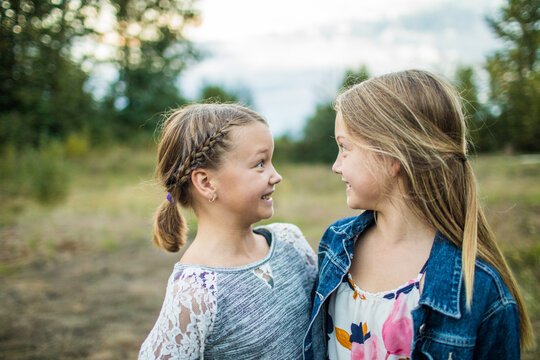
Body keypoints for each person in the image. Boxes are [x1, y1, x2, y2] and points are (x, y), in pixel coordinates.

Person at [303, 70, 534, 360]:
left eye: (345, 148)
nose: (336, 166)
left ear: (392, 156)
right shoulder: (335, 245)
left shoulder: (480, 289)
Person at [139, 103, 317, 359]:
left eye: (271, 162)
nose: (276, 175)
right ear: (206, 183)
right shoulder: (194, 295)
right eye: (259, 164)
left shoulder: (290, 242)